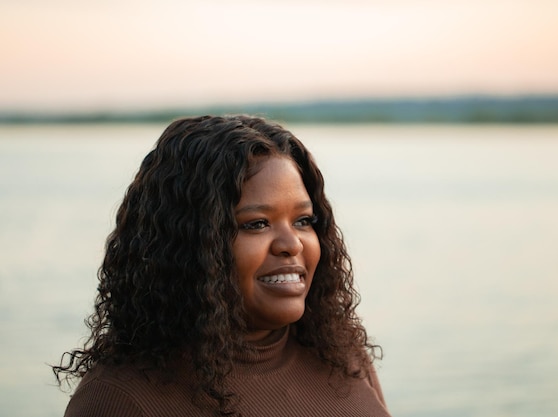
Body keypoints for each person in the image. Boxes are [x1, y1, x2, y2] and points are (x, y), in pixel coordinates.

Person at [54, 115, 390, 417]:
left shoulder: (343, 356)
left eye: (303, 220)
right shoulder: (120, 400)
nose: (292, 244)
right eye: (257, 224)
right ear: (190, 245)